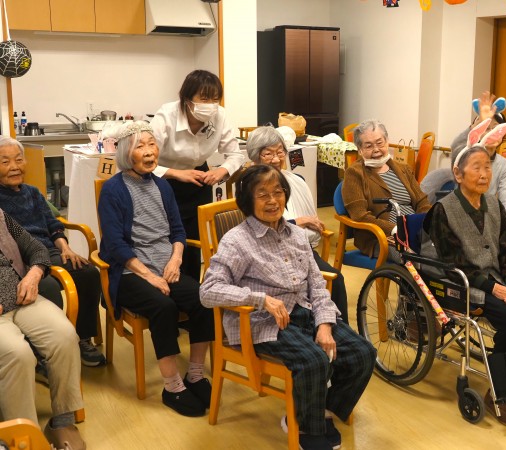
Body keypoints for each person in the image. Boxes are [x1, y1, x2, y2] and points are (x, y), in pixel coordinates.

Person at [200, 165, 376, 450]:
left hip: (303, 311)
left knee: (362, 353)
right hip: (261, 321)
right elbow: (208, 291)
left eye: (278, 192)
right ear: (247, 200)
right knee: (314, 360)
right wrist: (260, 299)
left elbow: (316, 285)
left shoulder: (296, 234)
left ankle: (322, 409)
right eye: (262, 195)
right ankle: (308, 427)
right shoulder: (237, 240)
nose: (273, 201)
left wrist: (324, 324)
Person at [421, 126, 506, 429]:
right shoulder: (443, 211)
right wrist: (496, 290)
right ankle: (498, 394)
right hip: (464, 284)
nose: (484, 174)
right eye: (476, 168)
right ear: (458, 174)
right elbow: (453, 262)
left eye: (487, 167)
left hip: (497, 280)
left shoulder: (494, 205)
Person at [98, 121, 215, 417]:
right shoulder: (113, 190)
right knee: (164, 307)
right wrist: (149, 275)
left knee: (204, 299)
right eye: (140, 146)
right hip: (130, 271)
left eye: (152, 144)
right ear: (126, 153)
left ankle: (195, 375)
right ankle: (172, 387)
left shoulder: (162, 185)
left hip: (166, 266)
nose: (149, 151)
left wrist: (175, 260)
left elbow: (177, 230)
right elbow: (115, 245)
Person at [0, 136, 105, 367]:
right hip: (19, 260)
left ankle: (81, 338)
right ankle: (44, 351)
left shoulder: (33, 193)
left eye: (18, 160)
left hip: (47, 250)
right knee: (47, 287)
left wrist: (66, 248)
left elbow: (53, 224)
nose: (14, 167)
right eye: (5, 162)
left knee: (88, 273)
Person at [0, 209, 85, 450]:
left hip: (23, 299)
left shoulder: (1, 216)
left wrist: (34, 274)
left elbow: (36, 248)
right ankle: (23, 437)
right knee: (17, 354)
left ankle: (62, 422)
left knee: (64, 335)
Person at [245, 126, 349, 324]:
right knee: (309, 285)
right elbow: (256, 228)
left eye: (280, 152)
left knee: (335, 279)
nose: (276, 159)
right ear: (255, 156)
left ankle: (338, 330)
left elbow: (310, 221)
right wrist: (298, 221)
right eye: (268, 154)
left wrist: (301, 225)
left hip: (300, 249)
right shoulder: (248, 186)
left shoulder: (294, 181)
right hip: (267, 254)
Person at [151, 69, 245, 280]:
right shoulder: (167, 115)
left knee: (195, 239)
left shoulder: (219, 115)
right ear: (187, 99)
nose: (210, 105)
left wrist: (221, 170)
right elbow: (143, 160)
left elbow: (235, 155)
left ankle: (192, 286)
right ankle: (165, 282)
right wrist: (176, 173)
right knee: (167, 238)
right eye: (204, 99)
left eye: (215, 99)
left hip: (198, 179)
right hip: (163, 180)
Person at [342, 119, 430, 262]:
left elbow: (422, 201)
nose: (376, 149)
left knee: (447, 250)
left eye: (380, 143)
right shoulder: (354, 174)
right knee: (416, 259)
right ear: (360, 149)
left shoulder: (403, 169)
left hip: (415, 232)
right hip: (381, 238)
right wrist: (394, 229)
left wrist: (427, 223)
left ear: (387, 142)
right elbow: (359, 215)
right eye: (368, 146)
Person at [450, 91, 506, 223]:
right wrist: (478, 124)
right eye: (487, 128)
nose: (492, 133)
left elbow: (505, 200)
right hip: (461, 214)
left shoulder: (504, 164)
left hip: (486, 215)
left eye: (496, 128)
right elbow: (455, 147)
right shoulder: (468, 155)